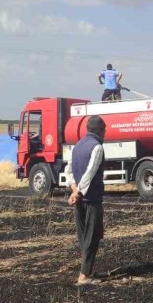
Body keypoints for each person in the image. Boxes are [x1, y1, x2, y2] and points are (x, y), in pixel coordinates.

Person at [65, 115, 106, 285]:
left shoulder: (77, 147)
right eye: (104, 131)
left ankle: (86, 270)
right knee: (93, 236)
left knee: (84, 236)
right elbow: (90, 172)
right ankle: (84, 276)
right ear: (101, 131)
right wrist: (79, 192)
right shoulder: (97, 148)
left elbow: (68, 169)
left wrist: (74, 189)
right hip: (91, 199)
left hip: (79, 200)